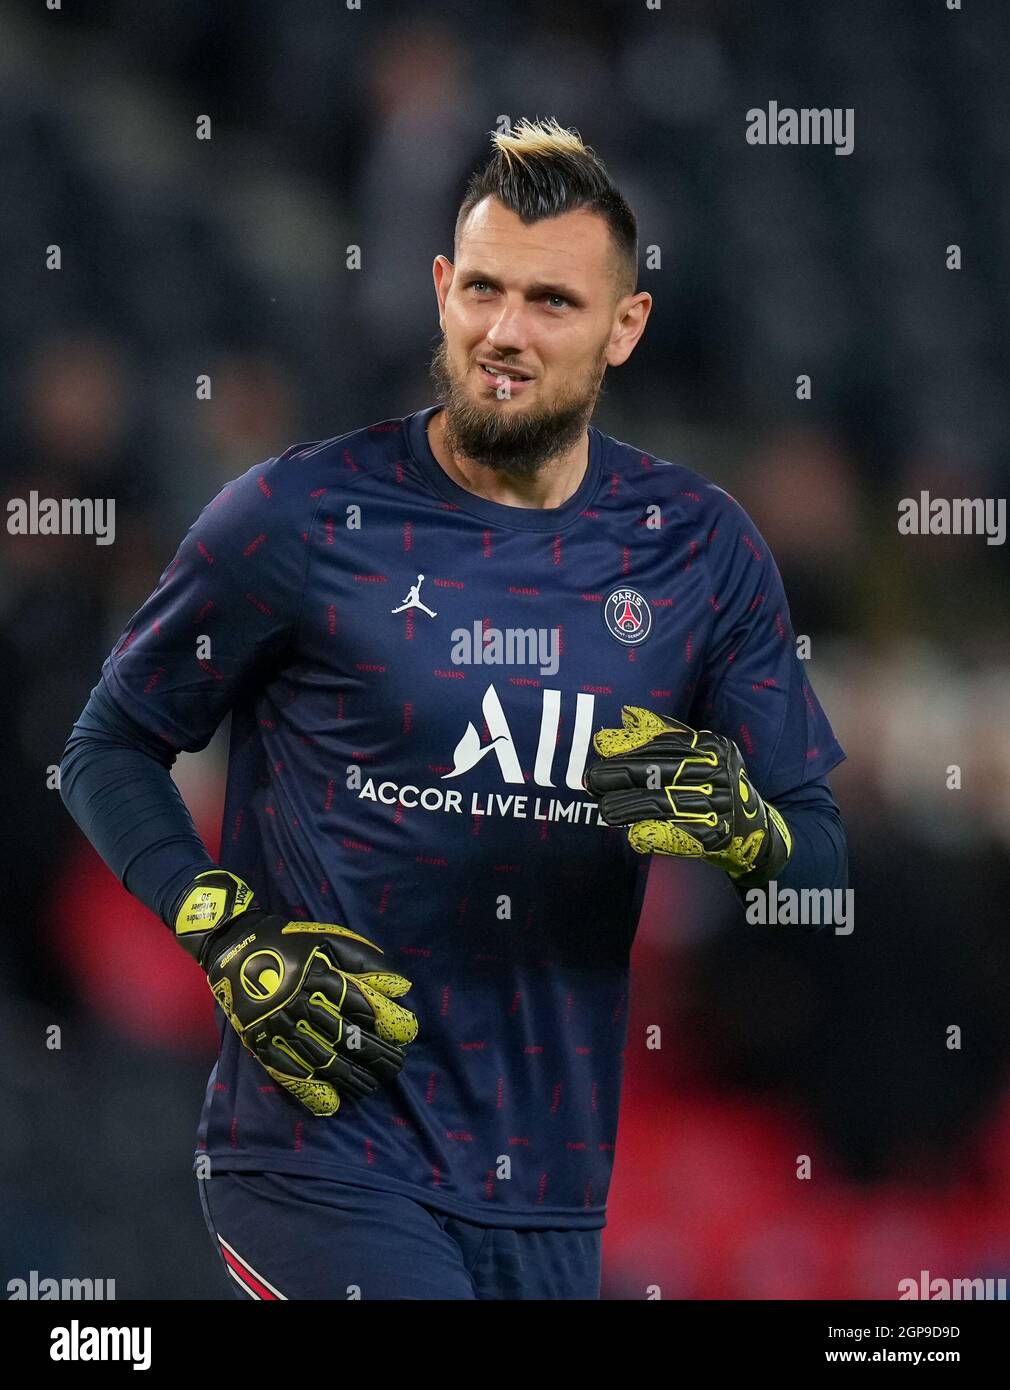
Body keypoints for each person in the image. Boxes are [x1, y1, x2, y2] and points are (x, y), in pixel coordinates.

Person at [60, 117, 846, 1301]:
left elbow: (819, 867)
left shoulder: (698, 549)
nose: (504, 335)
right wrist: (223, 933)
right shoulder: (298, 517)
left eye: (551, 303)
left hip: (549, 1191)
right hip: (319, 1157)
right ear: (439, 288)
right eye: (481, 288)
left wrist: (746, 832)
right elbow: (106, 746)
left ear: (623, 327)